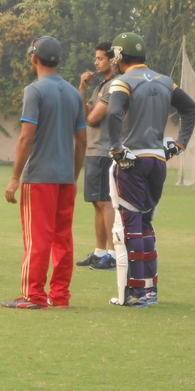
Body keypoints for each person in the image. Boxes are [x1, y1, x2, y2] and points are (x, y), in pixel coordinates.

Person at [106, 32, 195, 307]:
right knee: (145, 224)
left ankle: (134, 293)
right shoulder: (165, 81)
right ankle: (150, 290)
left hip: (133, 159)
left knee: (130, 224)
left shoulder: (122, 82)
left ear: (121, 56)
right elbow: (191, 109)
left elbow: (112, 114)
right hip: (159, 160)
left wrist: (117, 148)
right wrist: (180, 144)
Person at [2, 36, 87, 309]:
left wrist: (15, 178)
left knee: (37, 239)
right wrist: (73, 176)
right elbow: (82, 141)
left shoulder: (34, 91)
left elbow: (26, 138)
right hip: (65, 178)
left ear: (33, 58)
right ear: (59, 61)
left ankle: (34, 296)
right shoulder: (75, 94)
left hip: (39, 177)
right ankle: (60, 296)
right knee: (63, 238)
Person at [76, 42, 119, 270]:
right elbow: (84, 113)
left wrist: (90, 113)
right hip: (93, 150)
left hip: (104, 151)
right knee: (96, 202)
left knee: (105, 202)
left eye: (100, 58)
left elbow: (92, 119)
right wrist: (82, 87)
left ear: (111, 60)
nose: (96, 62)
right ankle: (99, 251)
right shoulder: (100, 86)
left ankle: (112, 253)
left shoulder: (114, 86)